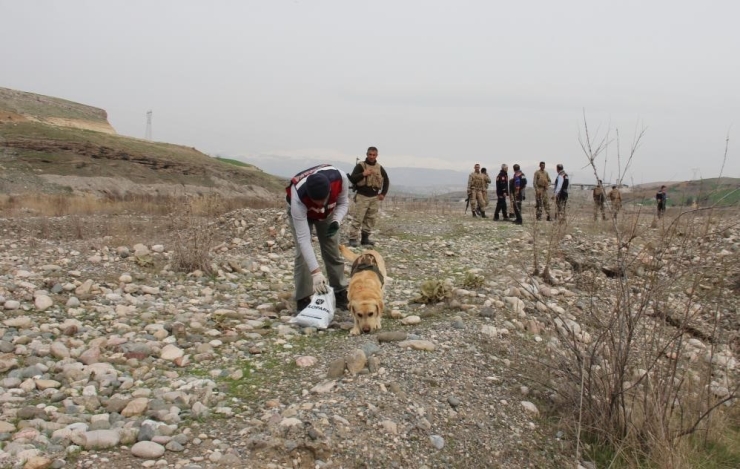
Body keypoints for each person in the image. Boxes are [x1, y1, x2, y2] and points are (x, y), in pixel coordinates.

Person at [286, 164, 350, 313]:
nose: (319, 205)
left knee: (332, 248)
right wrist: (316, 273)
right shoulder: (298, 197)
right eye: (315, 201)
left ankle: (339, 291)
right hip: (303, 214)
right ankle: (303, 298)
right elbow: (304, 239)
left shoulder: (341, 179)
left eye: (322, 200)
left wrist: (336, 221)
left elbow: (343, 203)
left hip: (329, 214)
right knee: (302, 255)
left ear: (329, 191)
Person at [347, 146, 390, 247]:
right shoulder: (360, 166)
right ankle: (353, 238)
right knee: (358, 218)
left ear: (377, 155)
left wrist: (383, 193)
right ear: (367, 154)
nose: (372, 157)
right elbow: (352, 179)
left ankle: (365, 239)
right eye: (370, 154)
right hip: (362, 196)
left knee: (370, 218)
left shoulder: (379, 168)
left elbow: (386, 180)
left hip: (374, 197)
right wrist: (363, 174)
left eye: (374, 155)